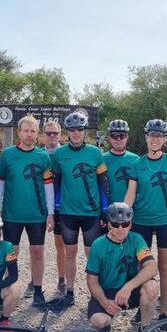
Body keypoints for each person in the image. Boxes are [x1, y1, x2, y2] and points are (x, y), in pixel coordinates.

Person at [124, 119, 167, 323]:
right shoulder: (137, 164)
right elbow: (131, 194)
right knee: (143, 267)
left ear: (164, 139)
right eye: (152, 135)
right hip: (142, 220)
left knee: (166, 268)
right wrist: (123, 215)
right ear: (146, 137)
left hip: (166, 220)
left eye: (159, 136)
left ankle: (164, 311)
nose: (155, 139)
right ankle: (144, 306)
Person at [0, 115, 54, 306]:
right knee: (11, 253)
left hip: (36, 214)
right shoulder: (7, 154)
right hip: (12, 214)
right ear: (19, 132)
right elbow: (0, 183)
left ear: (37, 134)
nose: (29, 134)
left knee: (37, 252)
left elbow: (48, 186)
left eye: (33, 131)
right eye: (26, 130)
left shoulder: (43, 156)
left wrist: (50, 212)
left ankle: (38, 290)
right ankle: (7, 288)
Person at [52, 111, 110, 307]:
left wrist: (104, 210)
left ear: (85, 131)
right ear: (67, 132)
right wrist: (56, 209)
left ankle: (97, 293)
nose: (76, 133)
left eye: (80, 129)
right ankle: (70, 290)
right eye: (72, 129)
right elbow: (56, 184)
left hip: (91, 212)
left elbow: (103, 183)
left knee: (91, 254)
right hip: (68, 212)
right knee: (70, 253)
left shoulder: (95, 153)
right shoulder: (59, 154)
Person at [86, 203, 159, 332]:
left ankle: (144, 330)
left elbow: (152, 267)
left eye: (125, 224)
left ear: (130, 224)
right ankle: (108, 321)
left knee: (152, 286)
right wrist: (104, 302)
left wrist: (127, 287)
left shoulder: (136, 239)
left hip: (129, 290)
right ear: (108, 225)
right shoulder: (98, 245)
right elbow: (92, 281)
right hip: (107, 291)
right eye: (116, 224)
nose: (121, 228)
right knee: (98, 322)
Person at [41, 120, 67, 295]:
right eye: (48, 133)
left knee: (60, 244)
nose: (52, 136)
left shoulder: (64, 153)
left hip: (60, 204)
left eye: (55, 133)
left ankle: (61, 278)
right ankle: (33, 281)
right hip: (38, 204)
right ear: (43, 135)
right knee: (36, 245)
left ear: (60, 135)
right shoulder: (37, 154)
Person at [103, 119, 139, 235]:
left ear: (127, 137)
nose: (118, 139)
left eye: (122, 135)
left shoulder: (136, 159)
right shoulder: (101, 159)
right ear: (109, 137)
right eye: (114, 135)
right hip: (108, 213)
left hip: (131, 213)